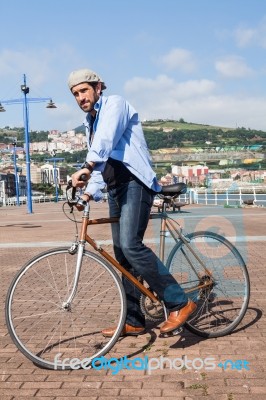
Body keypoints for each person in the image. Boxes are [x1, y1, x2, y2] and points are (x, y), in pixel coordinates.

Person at [68, 68, 196, 337]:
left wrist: (87, 166)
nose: (80, 97)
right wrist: (88, 194)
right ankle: (135, 320)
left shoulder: (115, 104)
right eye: (75, 93)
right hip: (116, 188)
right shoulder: (90, 122)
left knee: (131, 245)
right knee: (122, 257)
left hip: (136, 184)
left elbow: (104, 142)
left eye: (83, 90)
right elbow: (102, 163)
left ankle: (179, 302)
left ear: (98, 87)